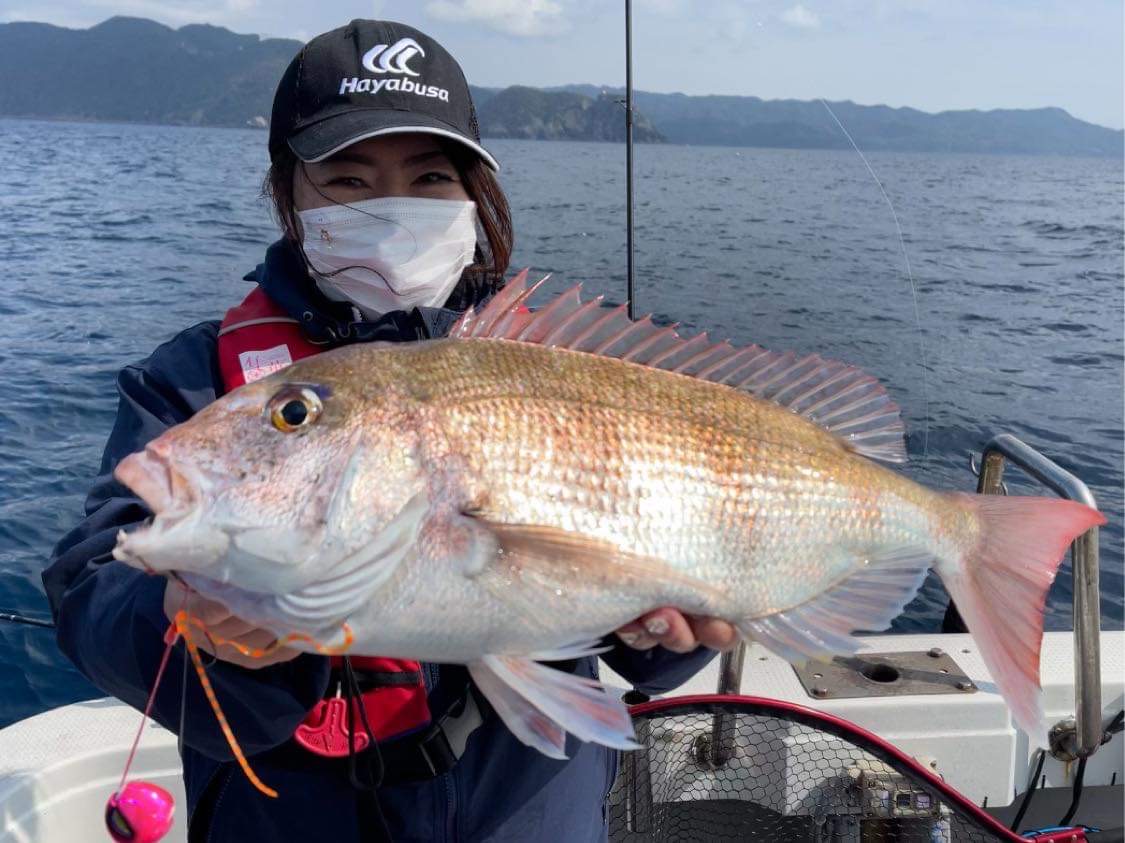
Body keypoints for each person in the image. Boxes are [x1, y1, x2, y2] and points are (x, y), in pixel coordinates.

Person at [43, 19, 737, 842]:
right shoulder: (195, 380)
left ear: (472, 195)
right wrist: (180, 621)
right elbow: (93, 582)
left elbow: (645, 609)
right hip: (289, 809)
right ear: (287, 193)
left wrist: (673, 640)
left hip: (526, 799)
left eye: (429, 175)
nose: (390, 204)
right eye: (347, 177)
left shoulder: (554, 362)